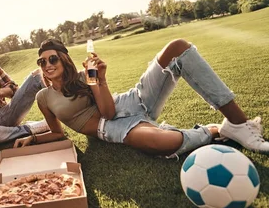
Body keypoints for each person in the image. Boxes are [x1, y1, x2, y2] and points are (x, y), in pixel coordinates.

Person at [14, 38, 269, 157]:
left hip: (127, 102)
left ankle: (239, 124)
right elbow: (60, 133)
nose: (47, 64)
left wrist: (99, 79)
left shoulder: (85, 76)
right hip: (111, 128)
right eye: (42, 61)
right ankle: (214, 130)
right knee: (164, 143)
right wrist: (33, 138)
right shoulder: (43, 97)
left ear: (64, 59)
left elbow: (108, 108)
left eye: (52, 58)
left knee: (177, 48)